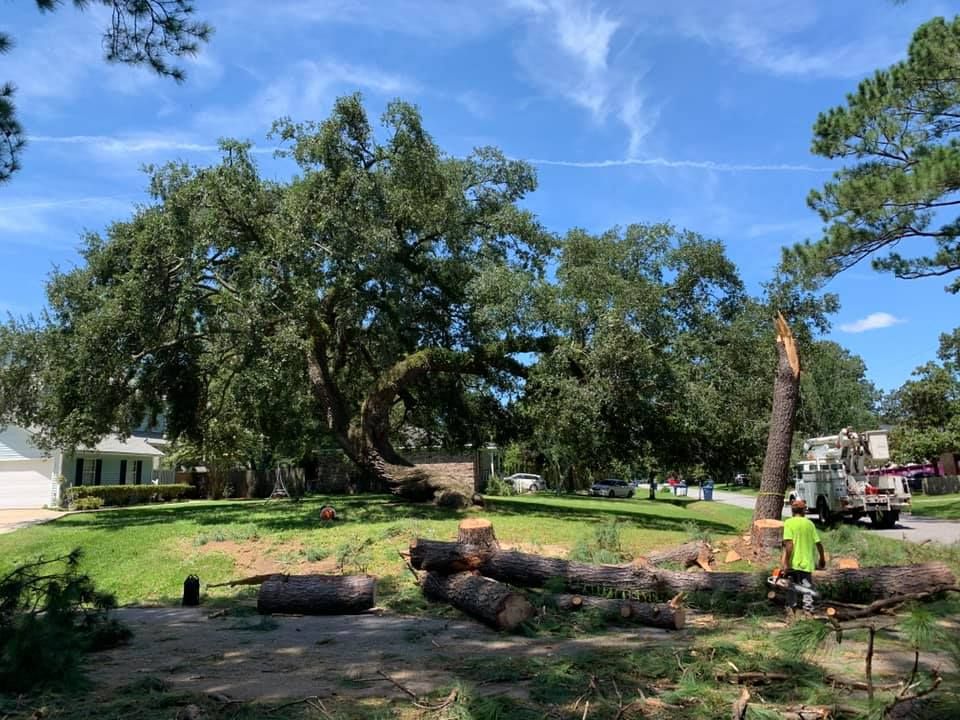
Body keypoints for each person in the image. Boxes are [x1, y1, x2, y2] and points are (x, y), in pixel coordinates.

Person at [781, 499, 826, 613]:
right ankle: (808, 611)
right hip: (806, 562)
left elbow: (789, 545)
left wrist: (785, 562)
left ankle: (792, 611)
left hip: (793, 563)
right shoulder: (809, 524)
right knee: (807, 588)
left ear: (792, 510)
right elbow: (819, 544)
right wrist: (822, 558)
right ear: (804, 510)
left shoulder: (788, 523)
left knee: (791, 587)